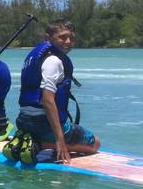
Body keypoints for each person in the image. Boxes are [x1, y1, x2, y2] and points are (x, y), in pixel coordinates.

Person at [16, 19, 100, 163]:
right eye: (62, 37)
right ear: (47, 38)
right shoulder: (54, 61)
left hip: (24, 121)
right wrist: (60, 140)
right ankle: (40, 144)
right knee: (95, 143)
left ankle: (30, 138)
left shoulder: (35, 58)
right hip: (43, 123)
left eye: (72, 38)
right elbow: (47, 100)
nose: (68, 41)